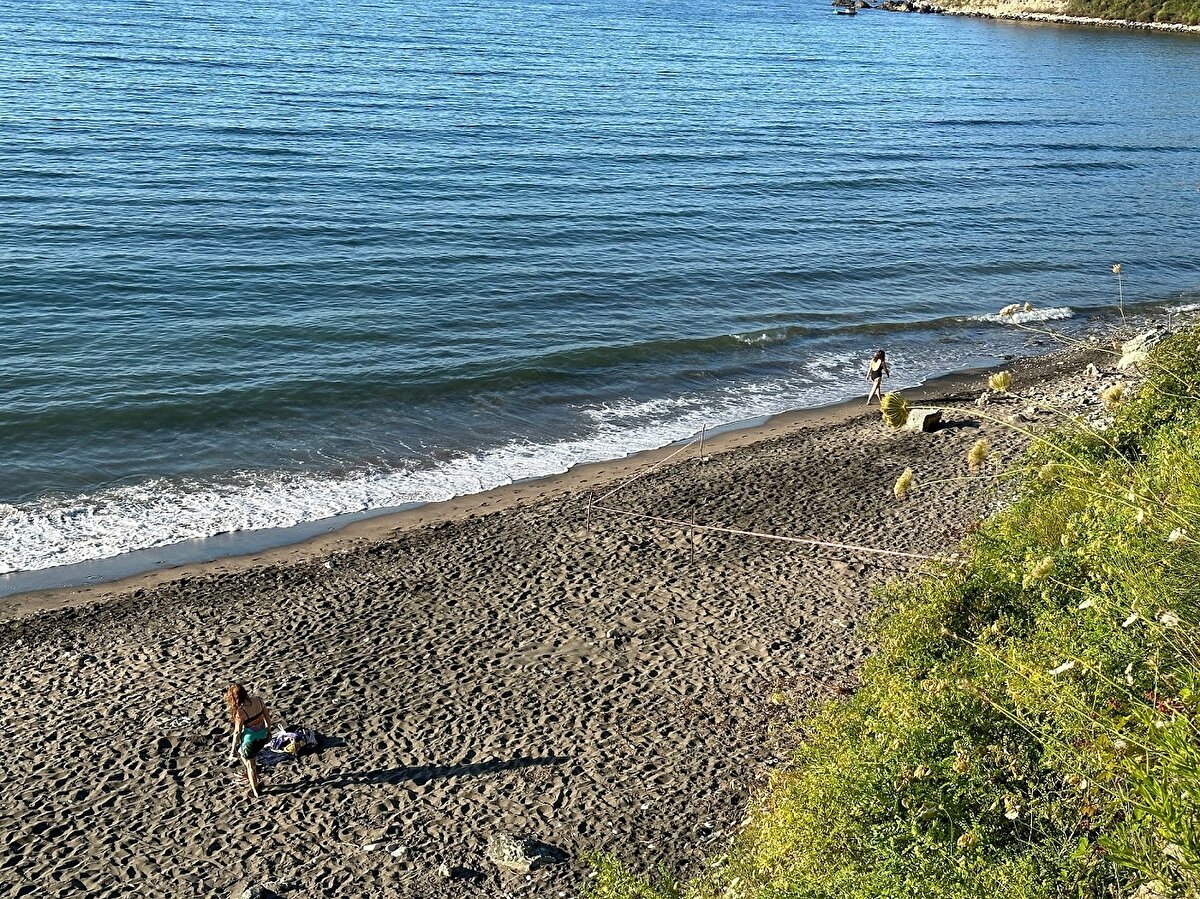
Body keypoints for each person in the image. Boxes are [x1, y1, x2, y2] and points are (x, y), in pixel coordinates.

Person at [226, 683, 273, 798]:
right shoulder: (258, 700)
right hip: (262, 736)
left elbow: (237, 732)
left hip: (250, 741)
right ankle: (254, 777)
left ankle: (255, 790)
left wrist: (232, 751)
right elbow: (268, 719)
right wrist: (269, 732)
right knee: (247, 756)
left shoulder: (240, 711)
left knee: (250, 765)